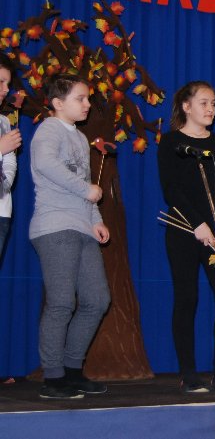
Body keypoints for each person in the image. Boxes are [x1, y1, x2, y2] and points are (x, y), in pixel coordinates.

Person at [30, 74, 110, 399]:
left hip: (81, 226)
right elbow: (45, 163)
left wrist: (96, 219)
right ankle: (53, 377)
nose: (87, 104)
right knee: (62, 302)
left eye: (87, 98)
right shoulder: (49, 129)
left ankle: (73, 370)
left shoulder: (79, 137)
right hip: (55, 226)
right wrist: (85, 190)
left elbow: (85, 185)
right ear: (58, 103)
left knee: (97, 300)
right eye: (80, 98)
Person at [157, 81, 215, 393]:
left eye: (214, 103)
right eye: (204, 103)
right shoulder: (171, 142)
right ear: (186, 106)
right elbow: (171, 189)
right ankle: (188, 373)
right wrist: (197, 223)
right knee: (187, 298)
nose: (211, 109)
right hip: (183, 230)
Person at [0, 53, 23, 257]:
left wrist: (4, 186)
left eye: (7, 84)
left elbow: (10, 162)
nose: (6, 89)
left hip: (2, 211)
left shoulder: (4, 122)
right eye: (1, 82)